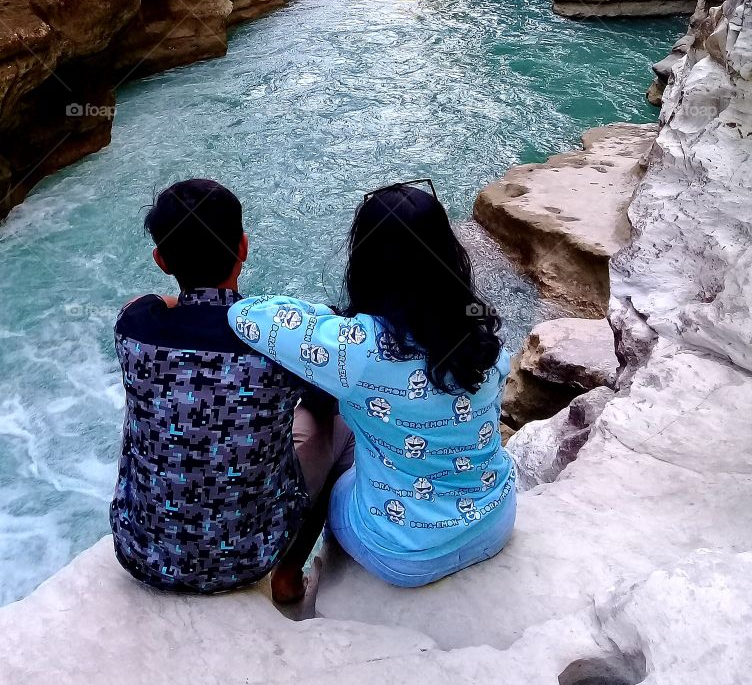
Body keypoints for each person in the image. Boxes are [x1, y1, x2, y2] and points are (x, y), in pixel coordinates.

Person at [229, 180, 516, 591]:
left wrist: (326, 317)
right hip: (494, 523)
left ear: (366, 263)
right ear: (447, 254)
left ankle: (290, 574)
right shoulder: (480, 334)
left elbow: (246, 315)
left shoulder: (356, 347)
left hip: (402, 554)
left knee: (324, 415)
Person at [110, 178, 349, 597]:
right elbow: (333, 340)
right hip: (250, 557)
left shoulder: (133, 327)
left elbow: (155, 302)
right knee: (338, 421)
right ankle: (289, 574)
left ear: (161, 261)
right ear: (243, 247)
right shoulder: (277, 342)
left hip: (141, 553)